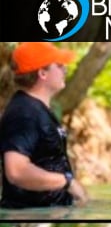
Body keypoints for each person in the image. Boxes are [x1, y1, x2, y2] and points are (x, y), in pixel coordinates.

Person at [0, 42, 88, 208]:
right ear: (42, 73)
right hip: (30, 214)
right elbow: (16, 171)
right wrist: (67, 182)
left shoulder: (35, 108)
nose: (65, 70)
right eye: (59, 66)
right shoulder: (24, 113)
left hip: (47, 211)